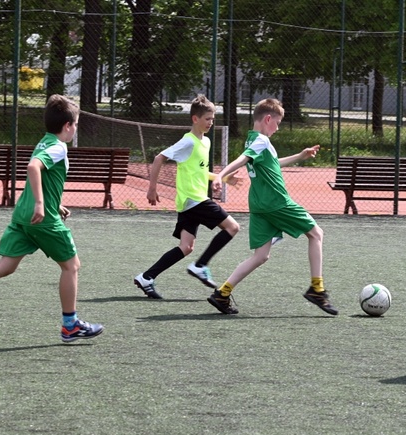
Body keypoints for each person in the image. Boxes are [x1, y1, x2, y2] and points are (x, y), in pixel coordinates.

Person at [0, 95, 103, 342]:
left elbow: (43, 176)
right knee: (71, 266)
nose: (76, 128)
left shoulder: (45, 141)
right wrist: (43, 205)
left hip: (23, 214)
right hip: (41, 218)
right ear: (67, 126)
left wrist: (55, 202)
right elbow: (33, 168)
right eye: (75, 123)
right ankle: (70, 326)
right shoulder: (58, 146)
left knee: (5, 266)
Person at [206, 98, 338, 316]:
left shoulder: (253, 139)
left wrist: (300, 156)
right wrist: (220, 174)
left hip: (259, 204)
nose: (277, 128)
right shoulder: (261, 141)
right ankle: (317, 288)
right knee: (316, 233)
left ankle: (222, 293)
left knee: (261, 255)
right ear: (268, 119)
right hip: (276, 201)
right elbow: (242, 159)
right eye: (277, 123)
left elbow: (271, 163)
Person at [134, 95, 241, 299]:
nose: (211, 123)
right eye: (207, 119)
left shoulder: (206, 142)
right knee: (233, 227)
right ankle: (201, 265)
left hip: (189, 203)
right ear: (195, 119)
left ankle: (146, 277)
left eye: (212, 119)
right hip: (195, 200)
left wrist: (224, 178)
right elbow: (159, 159)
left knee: (186, 247)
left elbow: (200, 172)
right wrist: (152, 188)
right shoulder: (188, 142)